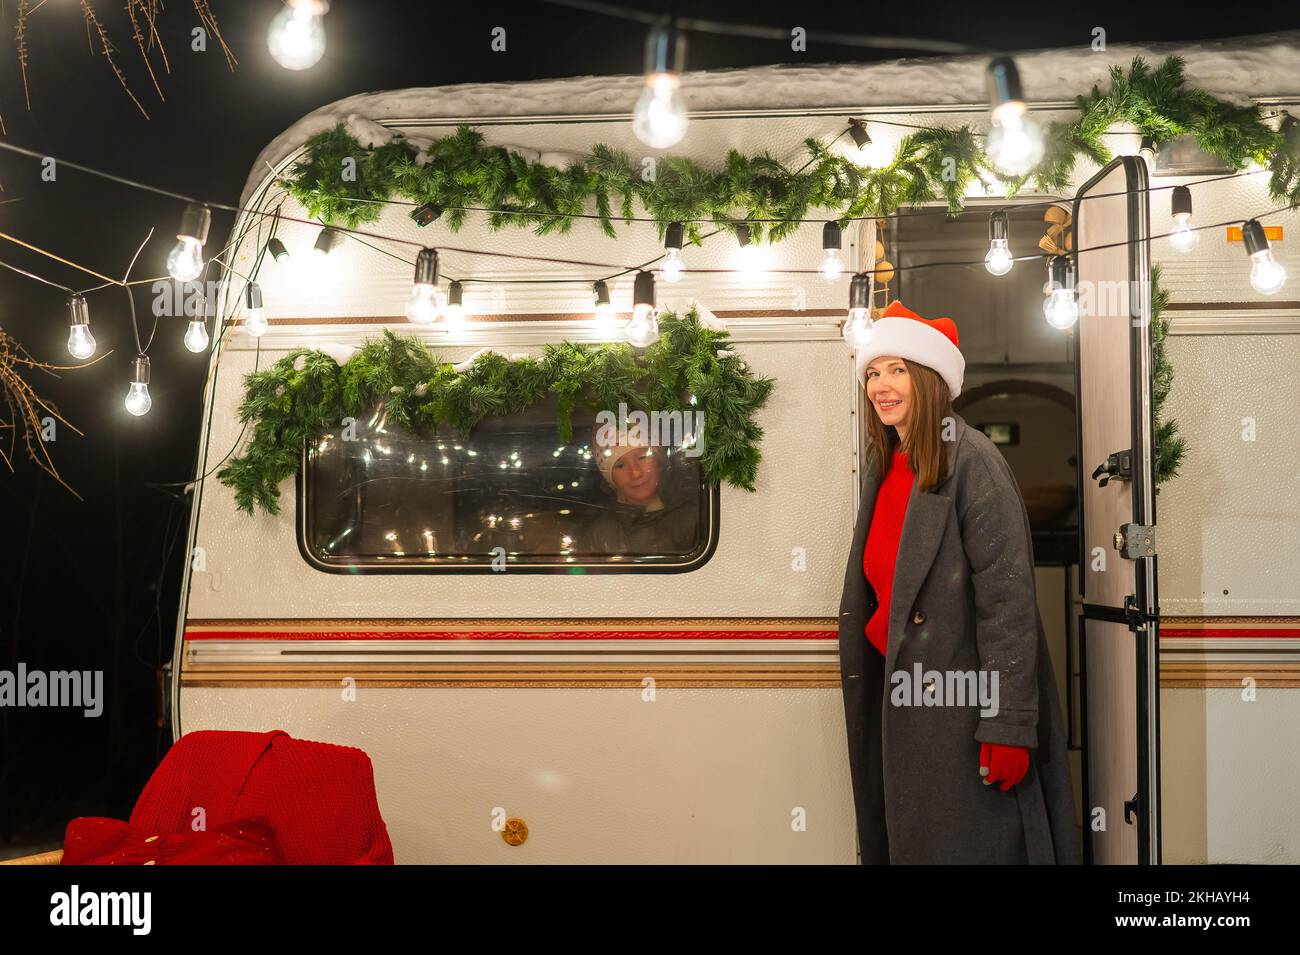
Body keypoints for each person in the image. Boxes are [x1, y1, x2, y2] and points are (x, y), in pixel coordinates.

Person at [839, 299, 1080, 864]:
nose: (881, 385)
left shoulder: (974, 460)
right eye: (873, 372)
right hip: (900, 696)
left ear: (930, 378)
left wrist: (1009, 724)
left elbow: (1008, 600)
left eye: (897, 369)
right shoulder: (887, 463)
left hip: (961, 706)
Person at [582, 434, 699, 556]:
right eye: (620, 465)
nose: (636, 473)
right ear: (610, 478)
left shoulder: (692, 519)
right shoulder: (601, 534)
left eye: (643, 457)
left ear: (659, 462)